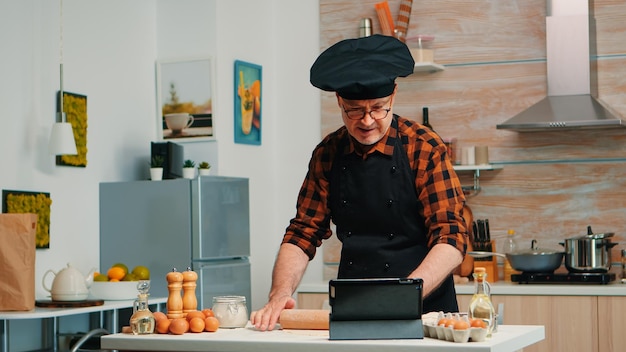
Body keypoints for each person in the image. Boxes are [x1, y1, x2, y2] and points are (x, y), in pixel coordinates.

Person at [251, 34, 469, 331]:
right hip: (355, 308)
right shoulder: (327, 153)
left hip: (426, 311)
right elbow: (303, 233)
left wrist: (407, 294)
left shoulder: (424, 147)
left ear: (393, 96)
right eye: (354, 110)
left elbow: (451, 236)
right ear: (339, 101)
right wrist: (280, 294)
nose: (367, 121)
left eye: (378, 108)